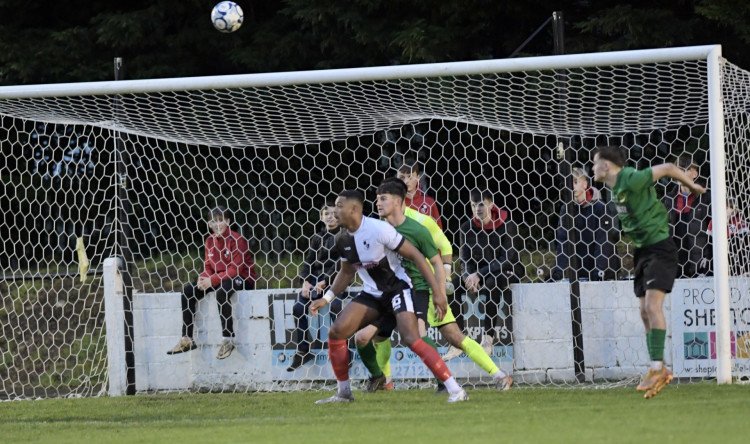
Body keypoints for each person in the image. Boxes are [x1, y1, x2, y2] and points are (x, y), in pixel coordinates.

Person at [354, 178, 512, 393]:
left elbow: (444, 247)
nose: (378, 204)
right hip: (392, 292)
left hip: (423, 288)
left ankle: (497, 375)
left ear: (399, 201)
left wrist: (442, 285)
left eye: (383, 199)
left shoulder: (420, 222)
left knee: (453, 336)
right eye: (377, 199)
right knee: (371, 336)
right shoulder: (378, 227)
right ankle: (384, 380)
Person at [310, 190, 468, 403]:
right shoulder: (342, 238)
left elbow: (417, 256)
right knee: (337, 332)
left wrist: (438, 293)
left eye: (339, 206)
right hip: (372, 295)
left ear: (354, 209)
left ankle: (456, 390)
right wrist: (327, 298)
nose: (334, 211)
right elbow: (347, 272)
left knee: (412, 337)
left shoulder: (379, 229)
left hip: (398, 289)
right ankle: (344, 393)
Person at [591, 145, 706, 399]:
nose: (592, 167)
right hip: (642, 252)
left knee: (653, 308)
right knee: (644, 312)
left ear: (607, 166)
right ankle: (659, 367)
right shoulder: (613, 192)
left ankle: (657, 368)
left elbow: (667, 168)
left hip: (661, 248)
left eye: (595, 162)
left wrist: (693, 187)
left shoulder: (631, 177)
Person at [167, 206, 257, 359]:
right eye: (214, 222)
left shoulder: (237, 240)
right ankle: (187, 338)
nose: (218, 224)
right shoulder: (209, 241)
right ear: (209, 224)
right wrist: (204, 279)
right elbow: (208, 266)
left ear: (228, 221)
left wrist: (212, 280)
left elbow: (235, 270)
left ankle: (227, 339)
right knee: (188, 291)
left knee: (222, 291)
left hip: (242, 278)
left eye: (221, 221)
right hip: (220, 277)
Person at [454, 190, 524, 352]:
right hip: (480, 273)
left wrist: (479, 274)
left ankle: (487, 338)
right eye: (473, 205)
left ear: (491, 205)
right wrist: (469, 277)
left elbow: (506, 258)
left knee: (493, 283)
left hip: (506, 270)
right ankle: (458, 340)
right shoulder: (466, 228)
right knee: (455, 285)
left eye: (481, 205)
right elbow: (464, 259)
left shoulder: (506, 224)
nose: (477, 209)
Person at [287, 199, 345, 371]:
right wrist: (305, 282)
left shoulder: (343, 236)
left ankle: (344, 351)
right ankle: (304, 350)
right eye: (326, 213)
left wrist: (325, 281)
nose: (330, 217)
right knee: (298, 307)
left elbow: (341, 263)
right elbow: (309, 262)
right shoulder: (317, 238)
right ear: (321, 217)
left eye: (334, 214)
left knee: (336, 306)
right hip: (314, 280)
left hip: (335, 280)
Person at [551, 167, 620, 281]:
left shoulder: (600, 208)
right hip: (581, 271)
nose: (572, 187)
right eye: (569, 183)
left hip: (605, 272)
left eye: (575, 182)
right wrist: (558, 272)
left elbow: (604, 242)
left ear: (585, 184)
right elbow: (563, 242)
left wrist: (598, 271)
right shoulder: (566, 210)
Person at [662, 156, 711, 278]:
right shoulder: (668, 200)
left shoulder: (706, 197)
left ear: (695, 173)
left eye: (685, 169)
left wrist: (709, 257)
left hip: (701, 264)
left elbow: (714, 229)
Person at [703, 197, 749, 276]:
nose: (723, 210)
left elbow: (744, 246)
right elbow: (709, 243)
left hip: (736, 258)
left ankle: (742, 271)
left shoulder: (739, 223)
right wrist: (705, 257)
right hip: (718, 258)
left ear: (734, 212)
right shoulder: (713, 222)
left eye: (727, 208)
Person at [397, 162, 443, 229]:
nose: (406, 181)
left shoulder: (429, 202)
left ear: (418, 178)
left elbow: (439, 230)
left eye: (410, 177)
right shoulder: (395, 204)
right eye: (402, 177)